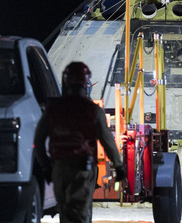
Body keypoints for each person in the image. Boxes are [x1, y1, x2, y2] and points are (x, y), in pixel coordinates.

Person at [34, 62, 127, 223]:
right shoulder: (92, 110)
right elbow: (107, 141)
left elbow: (38, 140)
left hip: (58, 170)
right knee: (80, 214)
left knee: (64, 210)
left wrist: (46, 166)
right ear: (85, 83)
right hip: (81, 171)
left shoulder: (53, 109)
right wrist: (118, 166)